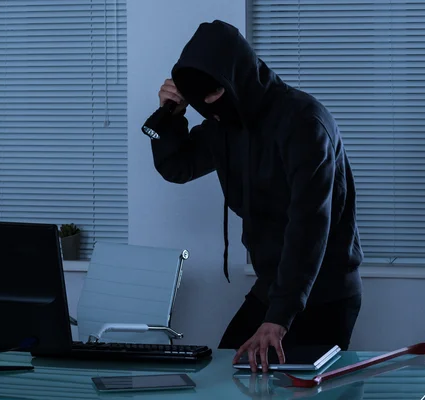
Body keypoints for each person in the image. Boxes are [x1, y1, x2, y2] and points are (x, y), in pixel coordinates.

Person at [148, 20, 364, 373]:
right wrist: (171, 116)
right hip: (273, 285)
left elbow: (309, 225)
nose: (208, 105)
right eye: (199, 98)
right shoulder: (224, 125)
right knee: (221, 374)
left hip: (325, 290)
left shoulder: (303, 122)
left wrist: (277, 319)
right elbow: (178, 167)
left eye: (214, 93)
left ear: (238, 77)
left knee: (295, 392)